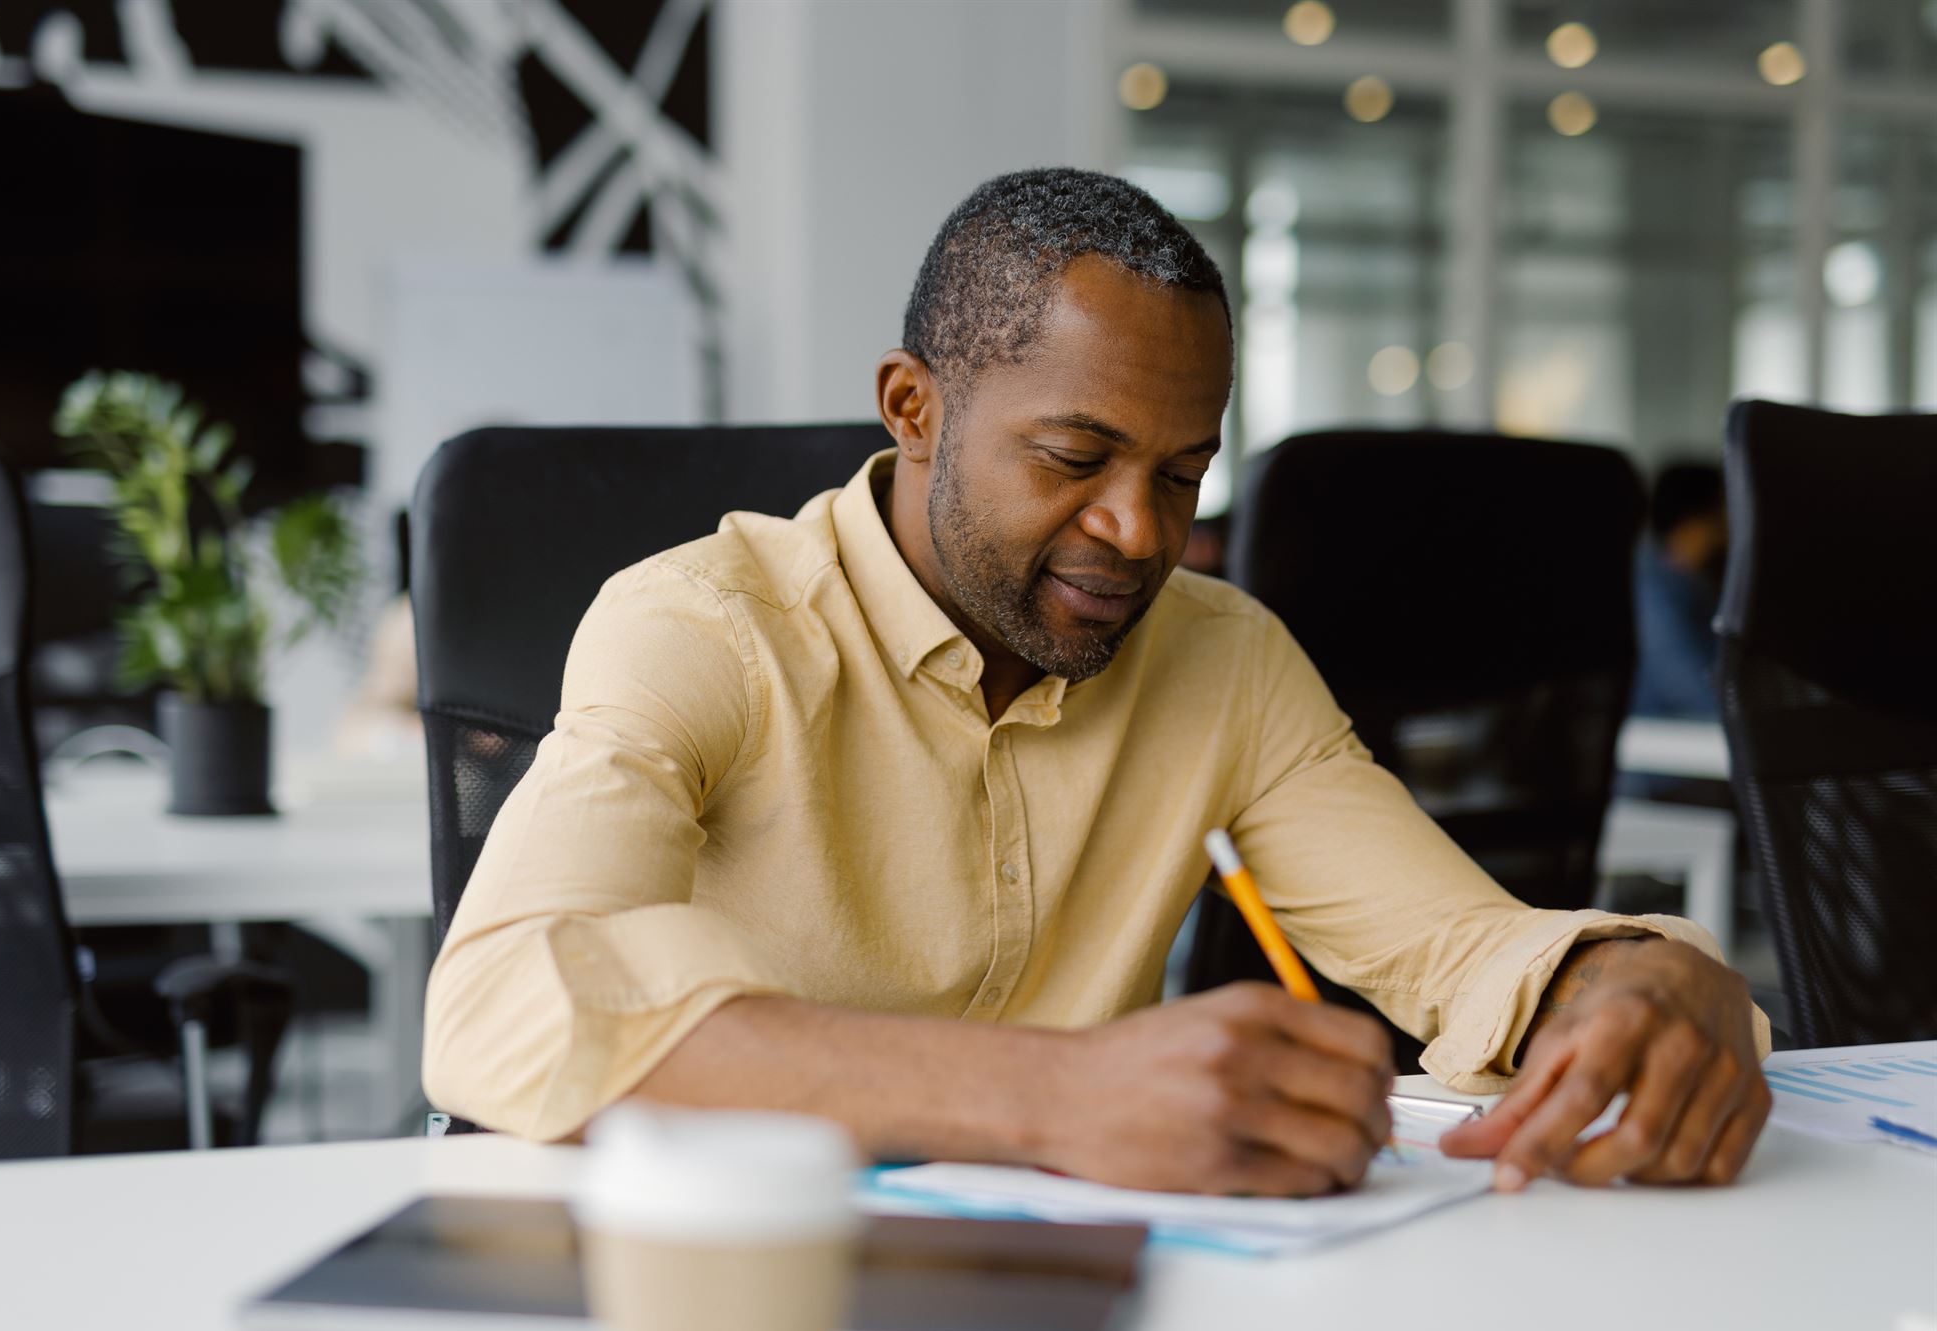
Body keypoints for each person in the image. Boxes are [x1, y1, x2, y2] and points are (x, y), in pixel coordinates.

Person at [424, 169, 1769, 1196]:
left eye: (1183, 474)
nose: (1141, 531)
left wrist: (1633, 973)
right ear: (913, 407)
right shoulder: (704, 626)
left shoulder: (1223, 655)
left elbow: (1459, 947)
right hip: (746, 1281)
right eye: (1076, 456)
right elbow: (499, 1007)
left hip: (1098, 1295)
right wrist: (1058, 1094)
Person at [1632, 462, 1729, 720]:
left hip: (1691, 735)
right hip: (1664, 742)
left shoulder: (1694, 579)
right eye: (1725, 502)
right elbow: (1687, 687)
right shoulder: (1652, 586)